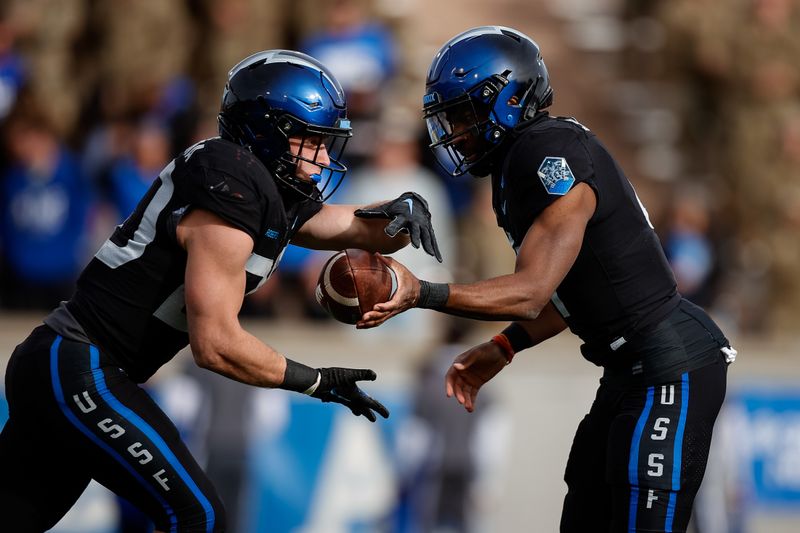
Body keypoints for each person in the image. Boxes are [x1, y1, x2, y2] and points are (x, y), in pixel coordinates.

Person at [0, 49, 442, 532]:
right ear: (265, 131)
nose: (320, 159)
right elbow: (215, 345)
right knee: (198, 516)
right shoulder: (231, 185)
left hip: (67, 364)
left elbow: (353, 227)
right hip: (82, 368)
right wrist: (314, 381)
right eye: (310, 140)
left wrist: (405, 208)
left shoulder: (257, 184)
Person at [359, 27, 736, 533]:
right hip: (631, 368)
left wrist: (420, 292)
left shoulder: (547, 150)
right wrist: (504, 346)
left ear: (510, 100)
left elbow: (533, 289)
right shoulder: (520, 161)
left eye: (464, 114)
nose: (455, 130)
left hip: (670, 364)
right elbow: (569, 293)